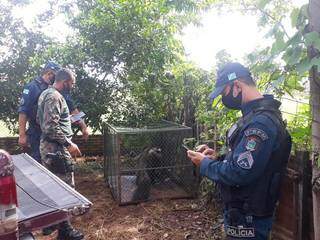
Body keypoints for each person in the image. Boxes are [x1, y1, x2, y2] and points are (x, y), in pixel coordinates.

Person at [187, 62, 292, 239]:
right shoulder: (254, 118)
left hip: (249, 218)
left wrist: (204, 164)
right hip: (242, 214)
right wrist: (217, 158)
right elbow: (246, 161)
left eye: (224, 93)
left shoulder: (261, 123)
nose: (223, 99)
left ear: (236, 86)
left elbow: (239, 173)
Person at [37, 68, 83, 240]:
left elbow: (40, 120)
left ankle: (50, 223)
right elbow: (50, 127)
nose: (72, 86)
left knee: (53, 188)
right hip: (56, 149)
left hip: (50, 148)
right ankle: (65, 231)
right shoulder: (54, 96)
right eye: (72, 83)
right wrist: (68, 143)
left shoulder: (45, 94)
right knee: (65, 189)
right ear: (65, 81)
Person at [18, 61, 61, 162]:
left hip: (50, 133)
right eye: (55, 75)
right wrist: (22, 135)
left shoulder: (52, 88)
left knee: (50, 162)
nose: (56, 79)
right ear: (49, 73)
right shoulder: (32, 87)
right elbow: (23, 112)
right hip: (36, 132)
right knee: (38, 161)